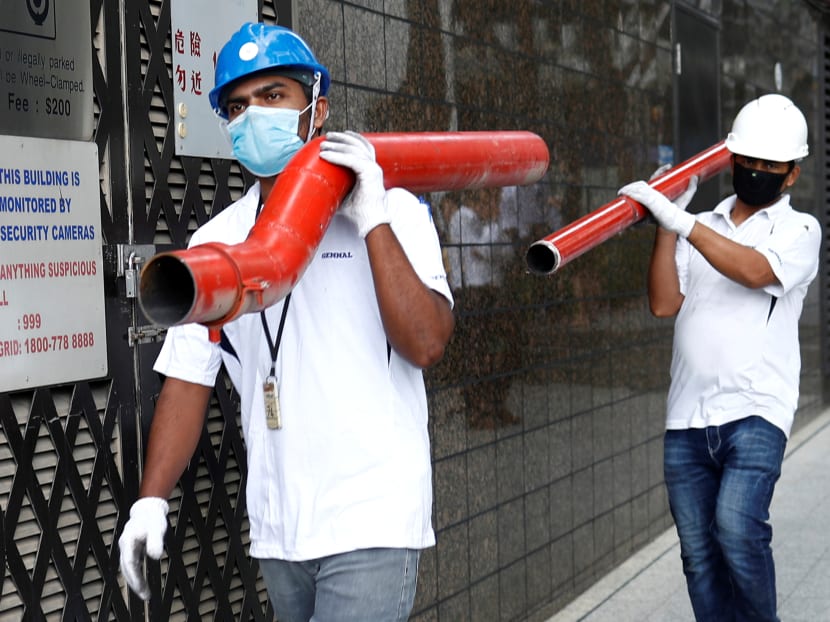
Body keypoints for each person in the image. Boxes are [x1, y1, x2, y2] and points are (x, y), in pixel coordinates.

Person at [118, 23, 455, 621]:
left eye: (274, 96)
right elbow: (188, 381)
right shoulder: (216, 240)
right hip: (280, 528)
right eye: (239, 106)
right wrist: (149, 500)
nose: (255, 116)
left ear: (317, 108)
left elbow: (427, 342)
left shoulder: (394, 210)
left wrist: (371, 217)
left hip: (371, 519)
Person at [619, 93, 820, 622]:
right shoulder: (699, 223)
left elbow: (755, 272)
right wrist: (670, 223)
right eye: (747, 161)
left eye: (768, 166)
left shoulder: (799, 231)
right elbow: (664, 303)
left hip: (755, 412)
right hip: (687, 415)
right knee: (699, 554)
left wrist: (683, 224)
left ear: (791, 175)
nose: (754, 172)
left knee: (737, 527)